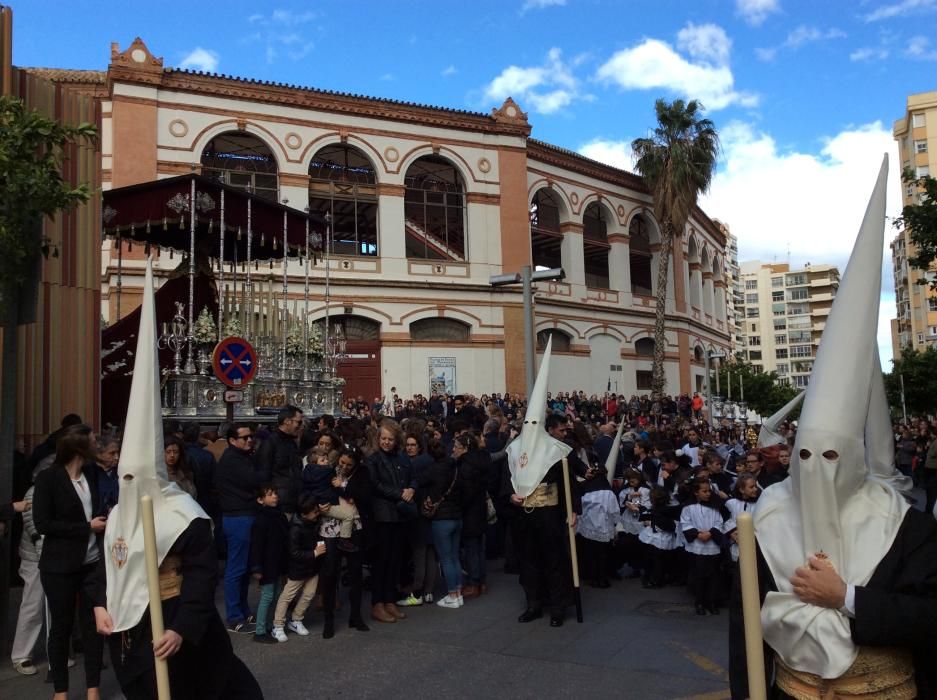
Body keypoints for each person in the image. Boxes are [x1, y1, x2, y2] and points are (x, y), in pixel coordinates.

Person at [730, 161, 937, 699]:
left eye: (831, 458)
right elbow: (743, 633)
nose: (815, 470)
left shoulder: (904, 526)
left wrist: (845, 597)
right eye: (804, 455)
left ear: (855, 459)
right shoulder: (769, 517)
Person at [32, 423, 106, 700]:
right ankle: (60, 691)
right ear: (78, 447)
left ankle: (93, 688)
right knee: (62, 627)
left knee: (93, 625)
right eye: (93, 440)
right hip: (59, 567)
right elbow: (43, 524)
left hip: (91, 564)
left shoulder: (91, 474)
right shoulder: (48, 478)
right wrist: (86, 526)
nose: (97, 444)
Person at [365, 418, 417, 624]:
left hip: (399, 516)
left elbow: (413, 477)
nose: (386, 442)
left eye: (390, 439)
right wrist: (399, 493)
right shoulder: (373, 460)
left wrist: (412, 489)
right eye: (383, 438)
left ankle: (389, 600)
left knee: (395, 560)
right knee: (381, 561)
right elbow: (375, 485)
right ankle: (378, 603)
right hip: (382, 516)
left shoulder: (401, 458)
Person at [318, 447, 372, 637]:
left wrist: (345, 486)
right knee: (330, 573)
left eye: (349, 465)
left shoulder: (362, 474)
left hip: (354, 528)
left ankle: (356, 617)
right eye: (342, 463)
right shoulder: (327, 470)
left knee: (355, 573)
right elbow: (315, 488)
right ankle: (328, 620)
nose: (344, 467)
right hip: (331, 528)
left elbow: (365, 496)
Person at [215, 423, 262, 632]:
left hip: (244, 514)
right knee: (236, 568)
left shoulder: (243, 457)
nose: (249, 440)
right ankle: (234, 616)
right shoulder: (232, 460)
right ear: (232, 440)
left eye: (250, 436)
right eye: (244, 438)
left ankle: (243, 610)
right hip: (237, 517)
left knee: (243, 569)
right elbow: (254, 480)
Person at [271, 496, 327, 642]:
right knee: (287, 596)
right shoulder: (295, 529)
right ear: (303, 514)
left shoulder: (313, 520)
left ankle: (296, 620)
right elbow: (294, 553)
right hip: (298, 568)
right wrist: (315, 553)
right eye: (314, 512)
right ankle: (277, 626)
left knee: (309, 594)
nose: (317, 514)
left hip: (312, 567)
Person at [421, 437, 463, 609]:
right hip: (457, 515)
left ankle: (453, 594)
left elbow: (420, 482)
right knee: (454, 557)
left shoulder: (431, 470)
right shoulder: (454, 466)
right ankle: (458, 593)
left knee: (446, 559)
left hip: (441, 518)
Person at [249, 485, 289, 644]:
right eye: (270, 494)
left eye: (275, 494)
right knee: (267, 596)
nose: (275, 496)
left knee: (277, 594)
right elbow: (257, 546)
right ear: (260, 500)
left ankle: (270, 625)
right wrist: (256, 567)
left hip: (278, 562)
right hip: (266, 564)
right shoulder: (260, 520)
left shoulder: (280, 516)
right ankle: (260, 631)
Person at [453, 431, 491, 599]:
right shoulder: (482, 461)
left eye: (456, 447)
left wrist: (460, 505)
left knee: (471, 548)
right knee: (479, 547)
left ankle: (474, 583)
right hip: (480, 509)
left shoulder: (465, 467)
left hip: (470, 512)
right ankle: (481, 581)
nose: (454, 449)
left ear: (465, 448)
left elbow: (466, 493)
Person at [680, 478, 726, 615]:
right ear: (696, 492)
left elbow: (719, 522)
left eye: (709, 491)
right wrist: (698, 534)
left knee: (713, 575)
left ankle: (711, 602)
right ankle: (699, 602)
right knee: (699, 576)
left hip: (712, 545)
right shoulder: (688, 507)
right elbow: (685, 523)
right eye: (704, 491)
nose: (707, 494)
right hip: (697, 546)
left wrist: (711, 533)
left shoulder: (714, 506)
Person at [255, 405, 304, 516]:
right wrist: (269, 498)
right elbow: (263, 473)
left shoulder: (292, 442)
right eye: (299, 422)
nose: (301, 426)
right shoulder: (270, 443)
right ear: (287, 421)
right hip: (279, 504)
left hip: (294, 501)